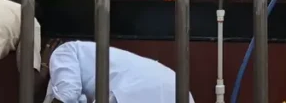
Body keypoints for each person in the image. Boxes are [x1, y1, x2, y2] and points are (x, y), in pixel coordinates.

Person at [36, 41, 192, 103]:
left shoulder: (62, 52)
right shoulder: (86, 53)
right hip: (177, 88)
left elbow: (67, 96)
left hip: (136, 89)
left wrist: (43, 68)